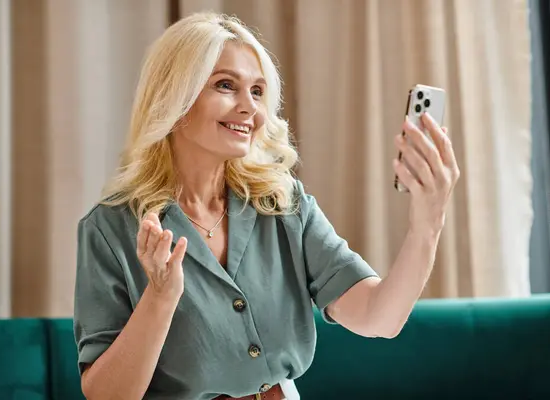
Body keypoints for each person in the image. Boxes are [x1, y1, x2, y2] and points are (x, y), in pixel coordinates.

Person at [73, 12, 460, 400]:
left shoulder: (284, 205)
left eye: (257, 92)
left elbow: (380, 318)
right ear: (176, 97)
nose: (250, 109)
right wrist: (158, 298)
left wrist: (427, 223)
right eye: (226, 86)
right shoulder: (110, 229)